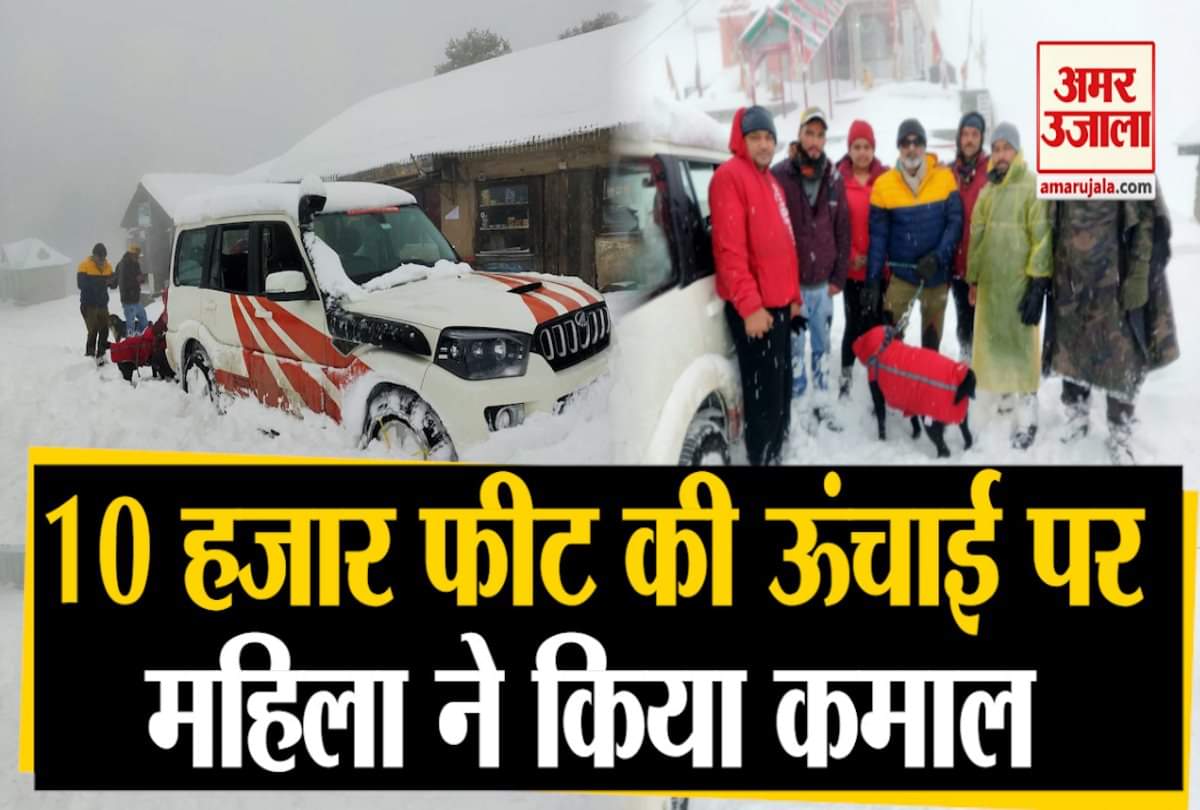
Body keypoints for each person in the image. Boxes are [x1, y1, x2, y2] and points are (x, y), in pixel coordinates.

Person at [1045, 186, 1179, 464]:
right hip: (1070, 275)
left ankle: (1120, 431)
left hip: (1115, 276)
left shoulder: (1125, 162)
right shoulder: (1063, 164)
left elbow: (1146, 217)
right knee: (1071, 346)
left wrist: (1139, 272)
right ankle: (1076, 414)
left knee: (1120, 356)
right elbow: (1050, 215)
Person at [710, 105, 803, 466]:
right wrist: (750, 306)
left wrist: (793, 297)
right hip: (755, 311)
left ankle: (777, 452)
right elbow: (729, 251)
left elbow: (785, 244)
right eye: (755, 137)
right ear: (742, 140)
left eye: (768, 137)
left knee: (780, 389)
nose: (764, 145)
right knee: (763, 398)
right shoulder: (730, 177)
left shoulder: (770, 181)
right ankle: (762, 459)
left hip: (777, 307)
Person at [965, 123, 1051, 449]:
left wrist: (1038, 284)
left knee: (1022, 348)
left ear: (1017, 151)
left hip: (1019, 285)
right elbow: (977, 239)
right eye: (997, 148)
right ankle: (1003, 397)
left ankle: (1028, 407)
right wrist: (973, 279)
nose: (1001, 155)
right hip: (991, 287)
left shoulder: (1031, 186)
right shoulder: (988, 191)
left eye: (1007, 148)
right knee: (994, 344)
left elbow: (1042, 238)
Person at [771, 106, 850, 431]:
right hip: (793, 286)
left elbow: (843, 229)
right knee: (793, 344)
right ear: (799, 135)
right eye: (809, 133)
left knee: (822, 342)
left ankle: (821, 392)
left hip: (823, 285)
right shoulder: (780, 175)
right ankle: (799, 395)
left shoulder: (834, 178)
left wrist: (839, 276)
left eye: (820, 135)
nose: (815, 141)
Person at [863, 118, 963, 351]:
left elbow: (955, 223)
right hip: (902, 277)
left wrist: (938, 257)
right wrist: (873, 279)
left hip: (935, 276)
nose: (911, 148)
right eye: (905, 143)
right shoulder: (883, 185)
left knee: (931, 344)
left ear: (924, 146)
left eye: (917, 142)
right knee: (889, 341)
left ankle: (927, 372)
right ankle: (893, 373)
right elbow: (878, 237)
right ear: (899, 147)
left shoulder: (945, 178)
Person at [835, 119, 888, 399]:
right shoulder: (838, 181)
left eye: (867, 146)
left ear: (874, 148)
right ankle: (846, 377)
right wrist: (850, 256)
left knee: (878, 325)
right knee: (853, 324)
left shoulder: (885, 179)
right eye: (857, 146)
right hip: (852, 271)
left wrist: (878, 257)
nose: (862, 152)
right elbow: (834, 225)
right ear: (849, 149)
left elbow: (892, 223)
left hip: (880, 270)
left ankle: (879, 379)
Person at [951, 111, 989, 362]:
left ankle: (985, 371)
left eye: (975, 134)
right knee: (964, 321)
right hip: (957, 265)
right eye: (965, 134)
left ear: (981, 138)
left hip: (984, 266)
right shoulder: (949, 172)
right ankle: (965, 366)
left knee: (984, 324)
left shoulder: (991, 170)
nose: (969, 140)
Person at [77, 242, 114, 364]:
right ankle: (90, 355)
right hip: (89, 305)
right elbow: (81, 285)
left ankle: (101, 354)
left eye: (104, 258)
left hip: (103, 304)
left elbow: (113, 284)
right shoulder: (84, 266)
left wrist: (113, 281)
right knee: (93, 329)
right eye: (100, 258)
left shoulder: (108, 266)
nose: (102, 260)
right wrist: (102, 282)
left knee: (104, 329)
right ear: (94, 256)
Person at [115, 243, 148, 335]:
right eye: (136, 256)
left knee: (144, 321)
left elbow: (139, 276)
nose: (138, 258)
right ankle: (131, 340)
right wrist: (136, 280)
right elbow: (122, 283)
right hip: (128, 300)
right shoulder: (123, 265)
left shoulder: (135, 264)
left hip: (136, 299)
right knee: (130, 325)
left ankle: (142, 338)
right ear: (131, 254)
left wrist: (142, 279)